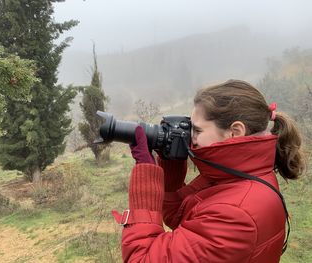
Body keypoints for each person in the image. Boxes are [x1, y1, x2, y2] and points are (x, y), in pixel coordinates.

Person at [111, 79, 306, 263]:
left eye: (197, 130)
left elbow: (143, 258)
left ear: (235, 132)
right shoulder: (238, 178)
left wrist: (146, 178)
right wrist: (171, 161)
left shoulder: (236, 214)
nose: (191, 138)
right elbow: (184, 217)